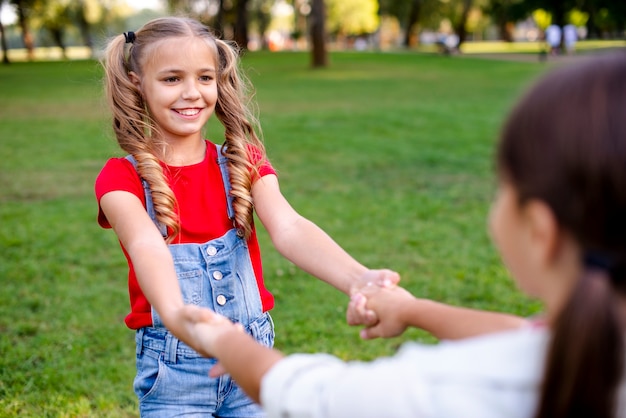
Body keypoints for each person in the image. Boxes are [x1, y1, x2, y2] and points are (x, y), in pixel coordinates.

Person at [187, 52, 626, 418]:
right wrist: (412, 310)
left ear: (540, 232)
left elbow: (311, 395)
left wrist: (225, 341)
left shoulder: (449, 390)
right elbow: (522, 335)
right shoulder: (582, 354)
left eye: (502, 188)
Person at [95, 16, 398, 417]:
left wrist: (357, 278)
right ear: (137, 81)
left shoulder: (243, 162)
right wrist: (177, 314)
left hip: (252, 360)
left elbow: (289, 227)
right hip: (175, 372)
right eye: (171, 79)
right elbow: (145, 245)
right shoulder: (121, 177)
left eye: (205, 78)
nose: (192, 93)